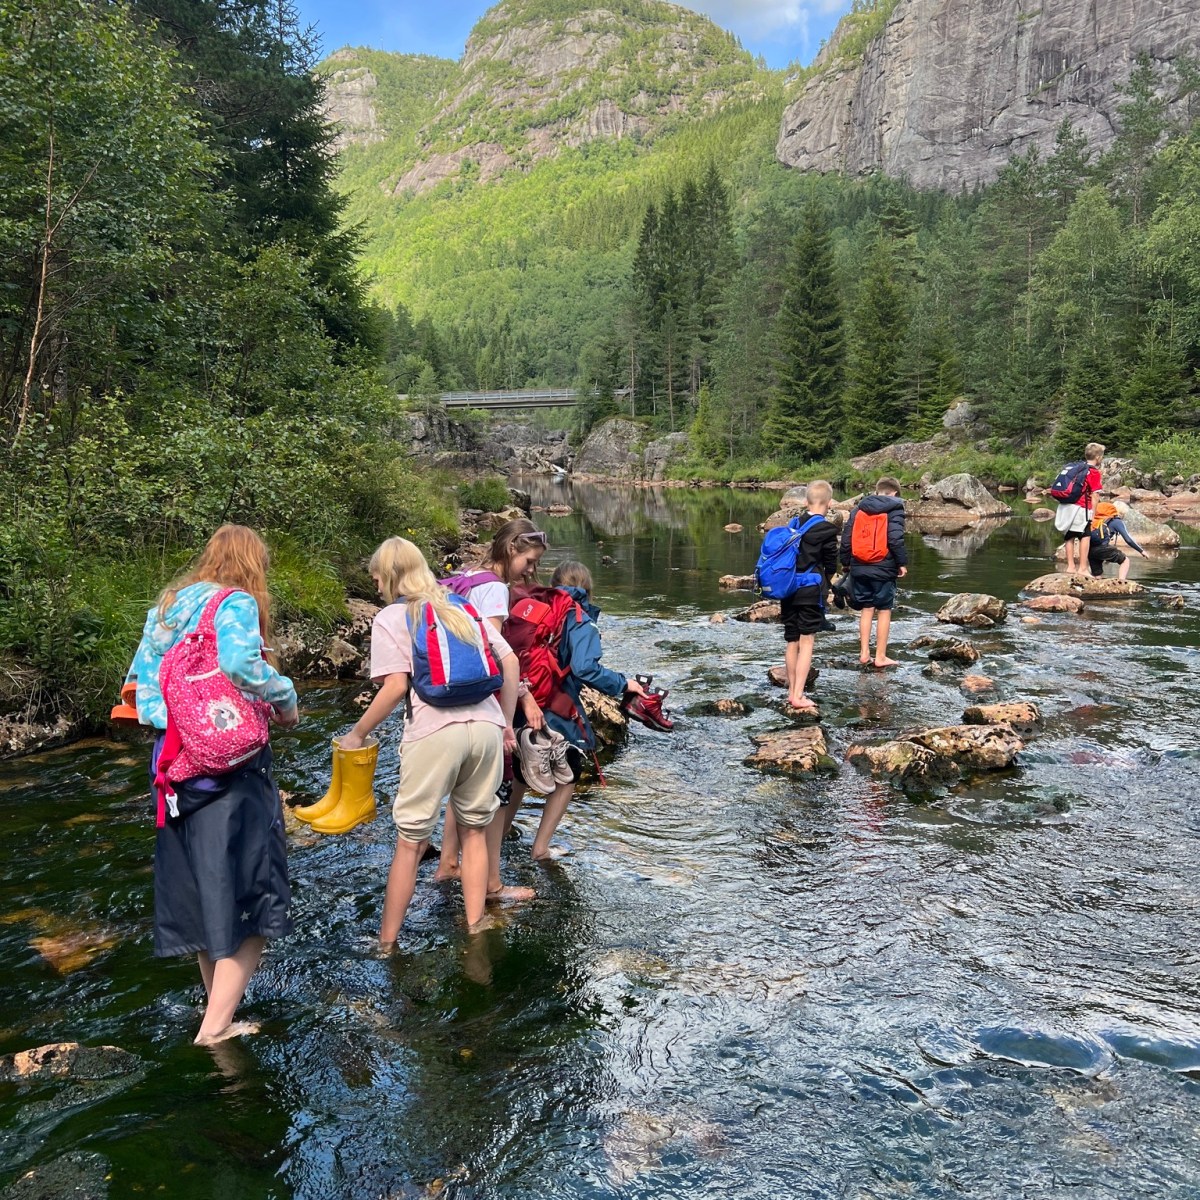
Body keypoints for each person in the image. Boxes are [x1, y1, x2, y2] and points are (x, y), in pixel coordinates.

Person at [125, 525, 299, 1046]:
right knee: (254, 903)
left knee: (208, 895)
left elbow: (138, 685)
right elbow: (240, 664)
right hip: (231, 769)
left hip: (174, 766)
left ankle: (215, 1011)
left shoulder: (169, 605)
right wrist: (287, 699)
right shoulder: (236, 602)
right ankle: (215, 1029)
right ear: (252, 564)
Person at [338, 537, 519, 943]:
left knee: (410, 843)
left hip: (435, 733)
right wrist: (506, 724)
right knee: (474, 832)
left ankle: (387, 943)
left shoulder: (392, 617)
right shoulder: (463, 606)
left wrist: (357, 733)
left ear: (387, 576)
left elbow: (395, 686)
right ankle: (475, 930)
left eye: (376, 576)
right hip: (486, 728)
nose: (374, 583)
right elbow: (509, 661)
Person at [436, 518, 546, 901]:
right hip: (485, 702)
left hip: (452, 700)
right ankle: (493, 884)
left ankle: (449, 862)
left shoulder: (468, 577)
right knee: (494, 794)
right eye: (529, 560)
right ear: (512, 547)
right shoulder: (496, 589)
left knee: (462, 786)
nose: (531, 570)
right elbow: (497, 654)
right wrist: (516, 708)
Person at [509, 561, 643, 861]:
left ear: (554, 582)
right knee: (569, 774)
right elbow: (585, 668)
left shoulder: (536, 605)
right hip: (555, 705)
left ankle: (503, 832)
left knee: (520, 766)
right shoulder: (579, 617)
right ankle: (541, 849)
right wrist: (624, 684)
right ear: (588, 589)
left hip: (521, 697)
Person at [780, 480, 839, 712]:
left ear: (806, 501)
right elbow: (830, 564)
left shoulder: (794, 523)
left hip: (788, 589)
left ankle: (790, 691)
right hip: (810, 590)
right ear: (829, 503)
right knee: (807, 642)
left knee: (791, 640)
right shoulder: (826, 529)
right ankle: (798, 695)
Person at [839, 476, 908, 669]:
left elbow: (847, 538)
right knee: (884, 610)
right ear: (894, 493)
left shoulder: (858, 509)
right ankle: (880, 656)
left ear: (877, 490)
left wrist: (845, 562)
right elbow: (895, 539)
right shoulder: (895, 508)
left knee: (867, 609)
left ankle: (863, 653)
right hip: (884, 567)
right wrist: (901, 563)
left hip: (859, 565)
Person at [1054, 442, 1105, 575]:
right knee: (1085, 535)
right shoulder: (1093, 472)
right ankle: (1083, 568)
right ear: (1098, 457)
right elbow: (1095, 494)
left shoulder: (1076, 468)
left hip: (1066, 506)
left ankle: (1070, 567)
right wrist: (1094, 514)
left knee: (1069, 536)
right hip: (1081, 507)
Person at [1087, 501, 1148, 581]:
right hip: (1101, 548)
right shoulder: (1116, 521)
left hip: (1090, 549)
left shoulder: (1099, 519)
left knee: (1097, 576)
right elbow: (1128, 539)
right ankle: (1121, 583)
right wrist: (1141, 550)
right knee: (1125, 561)